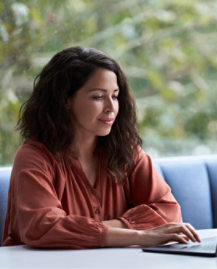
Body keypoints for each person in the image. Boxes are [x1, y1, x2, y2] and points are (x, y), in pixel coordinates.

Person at [1, 46, 200, 249]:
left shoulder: (125, 149)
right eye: (98, 97)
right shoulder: (34, 156)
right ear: (65, 100)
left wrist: (93, 230)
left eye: (114, 96)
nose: (111, 107)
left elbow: (169, 211)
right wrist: (140, 235)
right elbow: (43, 228)